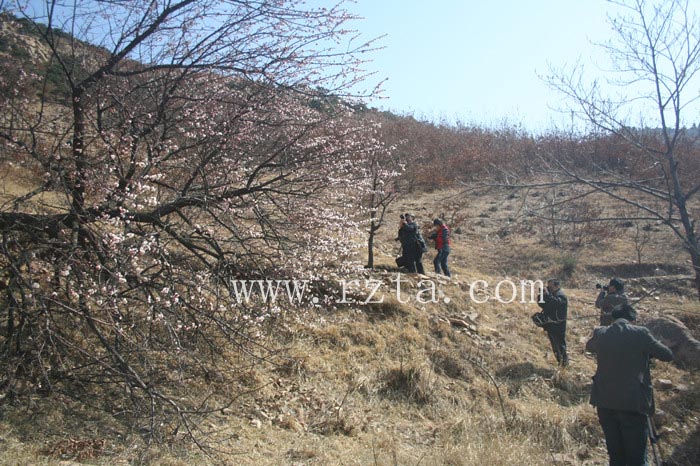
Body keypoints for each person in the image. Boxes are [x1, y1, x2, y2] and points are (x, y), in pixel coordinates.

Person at [586, 304, 673, 466]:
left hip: (604, 402)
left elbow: (589, 346)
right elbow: (667, 355)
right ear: (633, 319)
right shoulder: (641, 333)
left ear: (613, 318)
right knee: (636, 458)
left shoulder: (601, 333)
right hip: (633, 403)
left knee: (615, 455)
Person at [536, 279, 568, 367]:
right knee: (555, 345)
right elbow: (542, 304)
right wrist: (541, 295)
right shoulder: (552, 295)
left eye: (550, 287)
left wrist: (547, 294)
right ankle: (561, 362)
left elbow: (554, 303)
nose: (549, 288)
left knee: (559, 345)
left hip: (558, 326)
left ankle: (564, 364)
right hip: (551, 324)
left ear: (557, 286)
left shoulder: (561, 296)